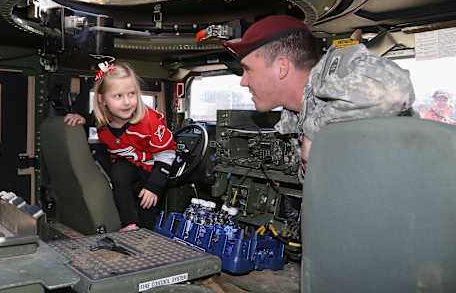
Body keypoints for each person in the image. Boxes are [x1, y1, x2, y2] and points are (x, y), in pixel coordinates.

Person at [222, 15, 415, 181]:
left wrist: (314, 131)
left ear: (282, 67)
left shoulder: (335, 72)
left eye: (248, 69)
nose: (243, 82)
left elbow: (395, 90)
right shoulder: (295, 118)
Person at [64, 61, 176, 230]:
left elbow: (166, 153)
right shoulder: (101, 118)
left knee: (147, 211)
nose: (127, 102)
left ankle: (146, 233)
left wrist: (153, 186)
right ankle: (129, 225)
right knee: (120, 173)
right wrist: (83, 120)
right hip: (127, 167)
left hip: (152, 171)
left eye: (131, 94)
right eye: (118, 96)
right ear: (102, 99)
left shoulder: (149, 121)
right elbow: (93, 119)